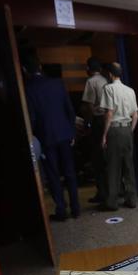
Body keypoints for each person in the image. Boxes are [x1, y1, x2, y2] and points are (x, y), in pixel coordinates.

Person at [21, 47, 80, 222]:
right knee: (70, 172)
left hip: (46, 138)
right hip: (65, 135)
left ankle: (61, 210)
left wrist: (33, 138)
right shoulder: (58, 83)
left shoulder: (28, 88)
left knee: (53, 175)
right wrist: (72, 133)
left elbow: (31, 117)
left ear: (24, 69)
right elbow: (69, 110)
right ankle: (76, 209)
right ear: (39, 65)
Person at [99, 62, 138, 211]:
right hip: (127, 130)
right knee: (129, 166)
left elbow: (109, 113)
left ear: (110, 74)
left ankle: (112, 202)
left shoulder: (108, 89)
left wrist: (104, 135)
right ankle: (131, 199)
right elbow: (135, 115)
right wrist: (130, 130)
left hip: (114, 131)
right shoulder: (130, 90)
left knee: (114, 167)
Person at [80, 57, 108, 204]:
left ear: (89, 69)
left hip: (98, 122)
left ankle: (102, 193)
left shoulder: (91, 82)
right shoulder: (106, 80)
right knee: (108, 158)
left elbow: (90, 106)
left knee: (97, 160)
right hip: (109, 121)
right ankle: (114, 189)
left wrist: (87, 124)